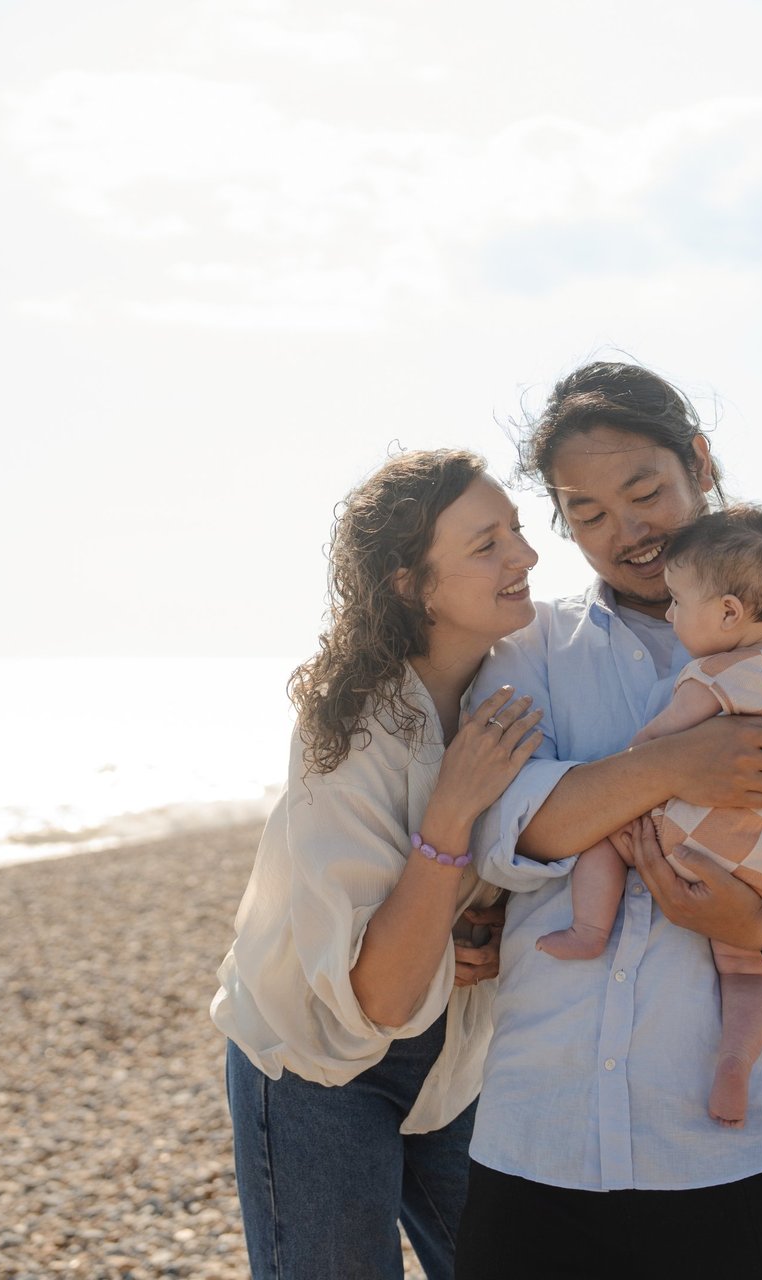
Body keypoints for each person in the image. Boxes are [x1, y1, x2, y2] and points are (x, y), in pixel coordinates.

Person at [452, 363, 762, 1279]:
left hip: (749, 1137)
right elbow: (501, 828)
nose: (626, 532)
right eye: (587, 512)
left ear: (700, 463)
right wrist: (672, 765)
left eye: (645, 492)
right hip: (543, 1129)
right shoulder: (531, 649)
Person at [211, 449, 545, 1280]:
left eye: (518, 531)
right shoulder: (354, 731)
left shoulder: (516, 687)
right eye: (486, 545)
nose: (525, 556)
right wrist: (449, 813)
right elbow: (381, 996)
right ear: (411, 583)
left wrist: (486, 922)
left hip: (454, 1065)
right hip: (317, 1066)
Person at [533, 502, 762, 1129]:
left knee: (605, 828)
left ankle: (589, 930)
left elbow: (653, 751)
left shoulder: (715, 675)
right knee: (748, 972)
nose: (671, 614)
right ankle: (736, 1064)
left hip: (718, 843)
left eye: (679, 602)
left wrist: (628, 767)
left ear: (728, 613)